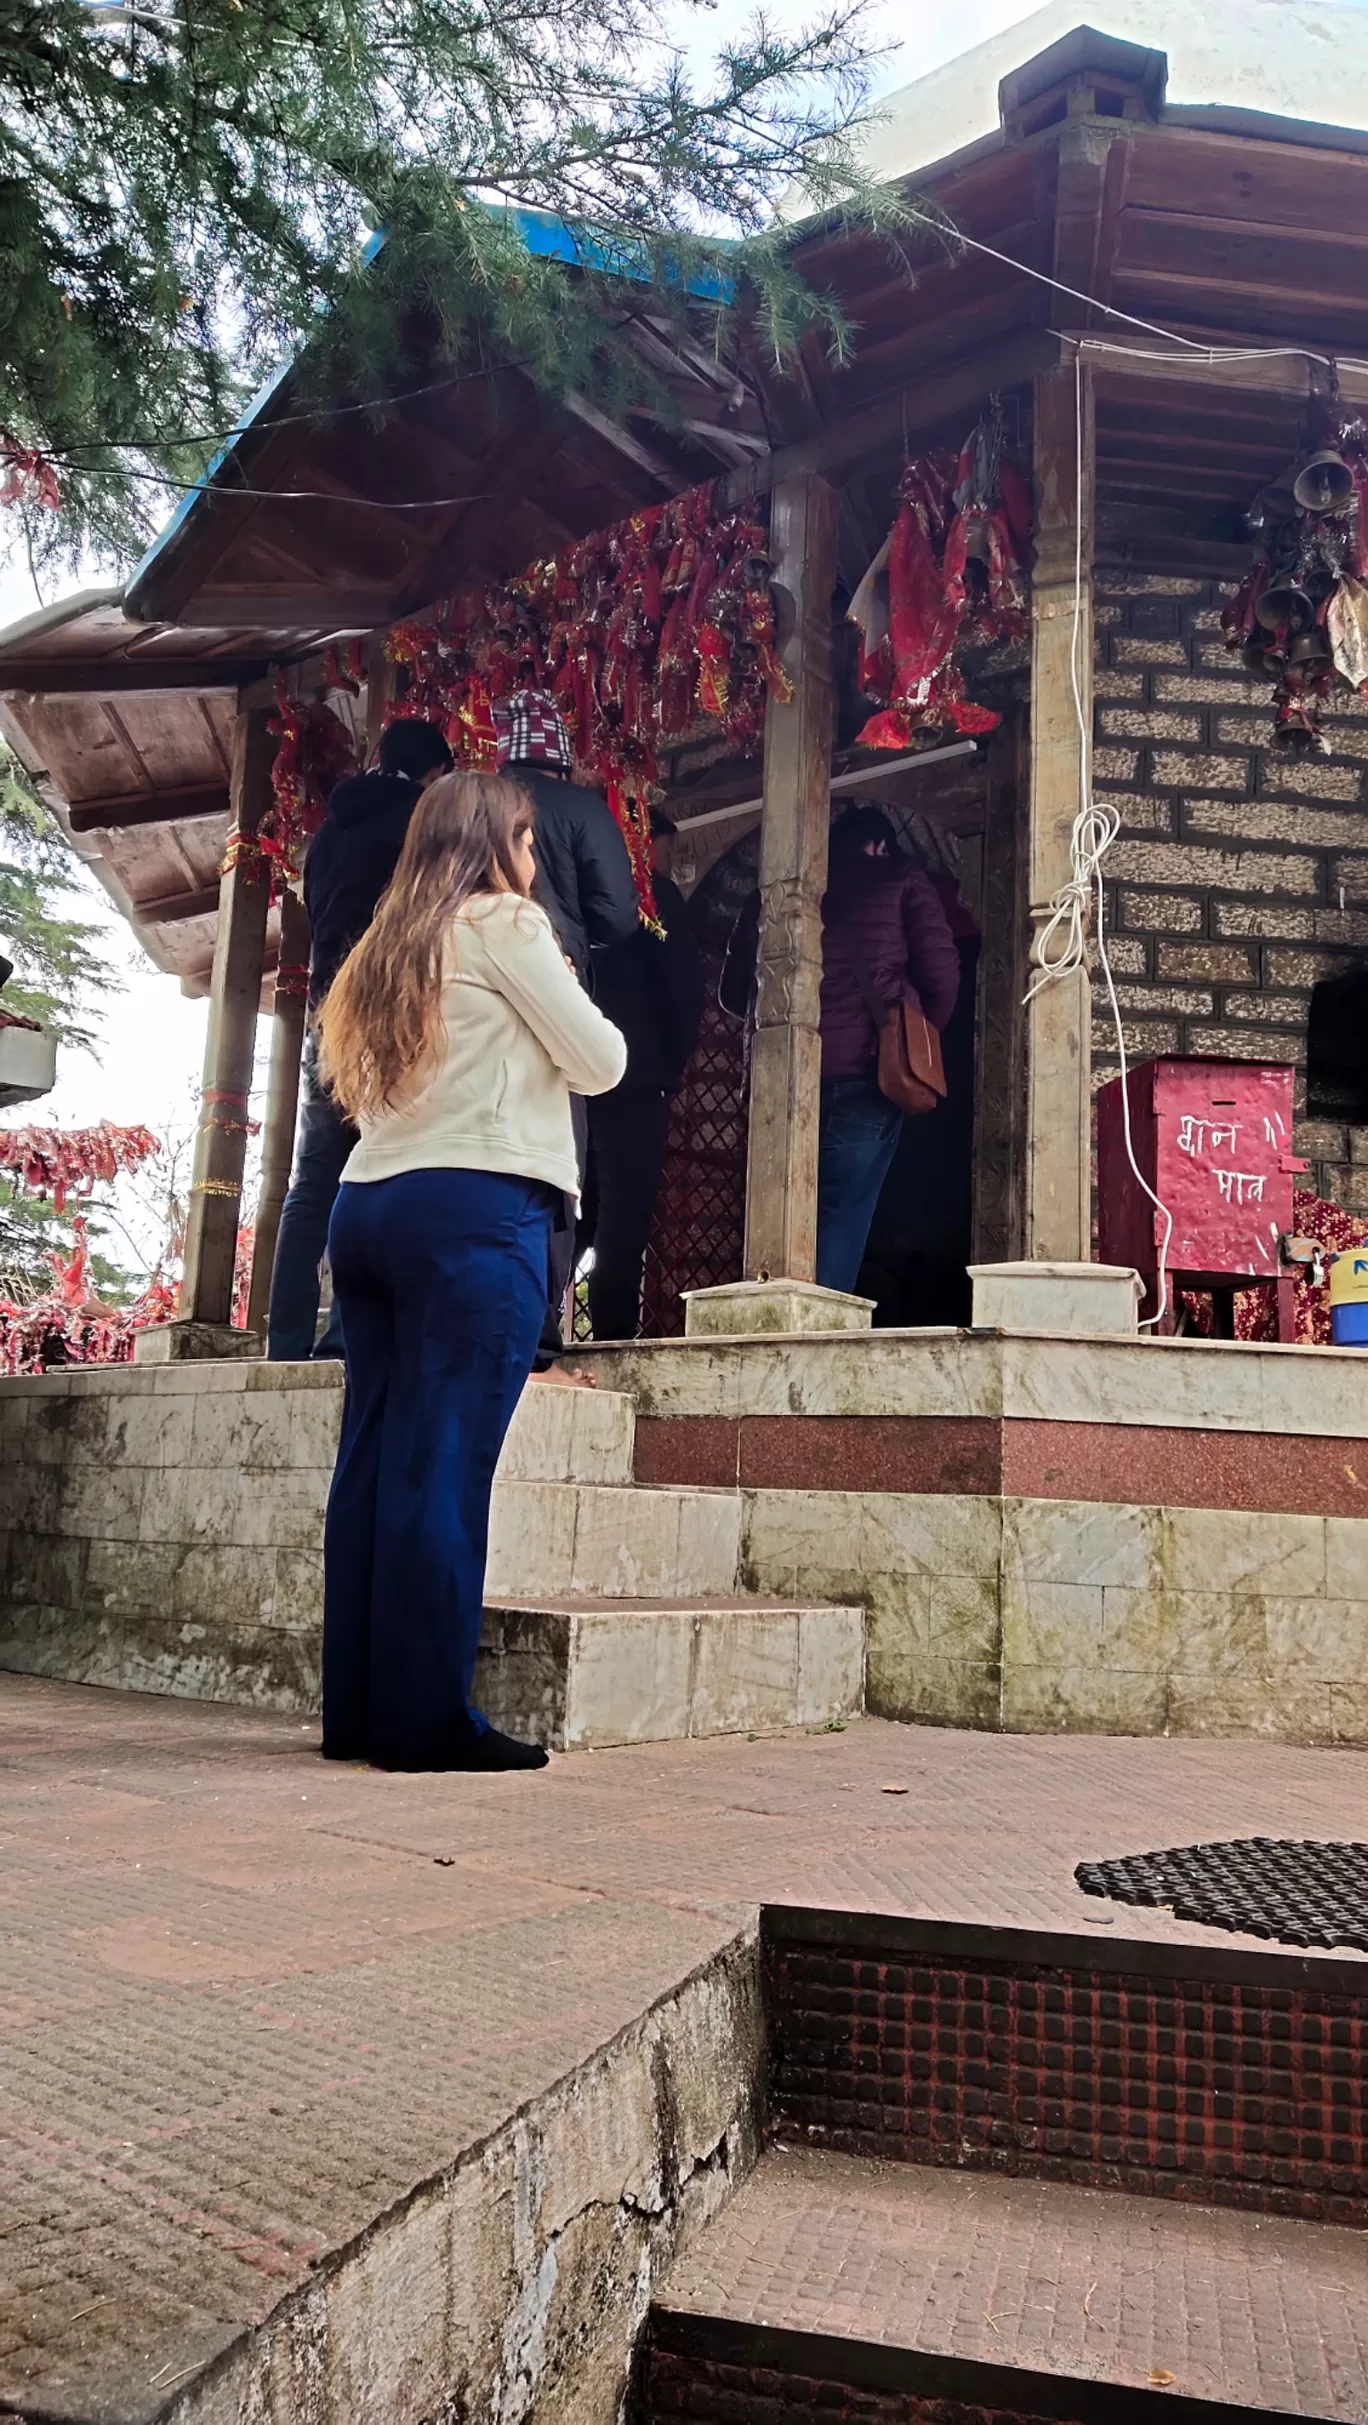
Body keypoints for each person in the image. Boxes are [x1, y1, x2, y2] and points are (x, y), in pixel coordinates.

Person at [315, 769, 627, 1772]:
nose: (536, 863)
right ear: (497, 844)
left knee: (372, 1458)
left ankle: (359, 1710)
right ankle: (423, 1720)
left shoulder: (386, 941)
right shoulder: (507, 924)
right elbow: (603, 1060)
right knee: (444, 1462)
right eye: (529, 843)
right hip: (473, 1209)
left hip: (368, 1206)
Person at [266, 717, 454, 1361]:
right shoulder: (420, 829)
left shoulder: (325, 837)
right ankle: (347, 1334)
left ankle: (284, 1341)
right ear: (435, 777)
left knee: (314, 1181)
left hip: (327, 1017)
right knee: (382, 1169)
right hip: (389, 1013)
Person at [491, 689, 641, 1376]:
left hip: (466, 1007)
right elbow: (618, 915)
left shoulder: (473, 807)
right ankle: (538, 1333)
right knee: (557, 1164)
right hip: (555, 989)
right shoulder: (581, 810)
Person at [815, 805, 960, 1295]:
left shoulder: (795, 885)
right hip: (869, 1071)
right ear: (880, 845)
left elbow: (733, 991)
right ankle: (816, 1339)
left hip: (788, 1075)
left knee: (783, 1209)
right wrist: (915, 1034)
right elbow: (942, 971)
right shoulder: (901, 878)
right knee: (842, 1212)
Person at [579, 813, 705, 1340]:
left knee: (572, 1207)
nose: (669, 864)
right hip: (635, 1076)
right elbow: (682, 990)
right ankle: (610, 1335)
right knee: (624, 1214)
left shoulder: (579, 894)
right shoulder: (654, 899)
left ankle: (537, 1326)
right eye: (667, 851)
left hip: (574, 1072)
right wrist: (671, 1064)